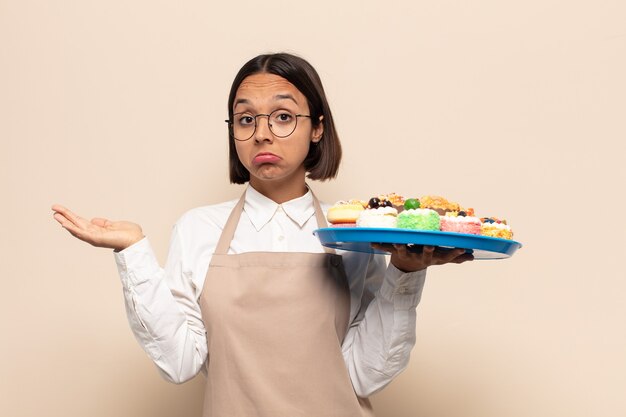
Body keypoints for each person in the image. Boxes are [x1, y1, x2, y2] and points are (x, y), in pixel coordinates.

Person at [52, 53, 472, 417]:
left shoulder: (355, 235)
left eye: (284, 116)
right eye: (246, 118)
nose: (262, 133)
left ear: (317, 129)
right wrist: (133, 252)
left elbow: (365, 373)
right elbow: (179, 363)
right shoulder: (199, 228)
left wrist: (405, 273)